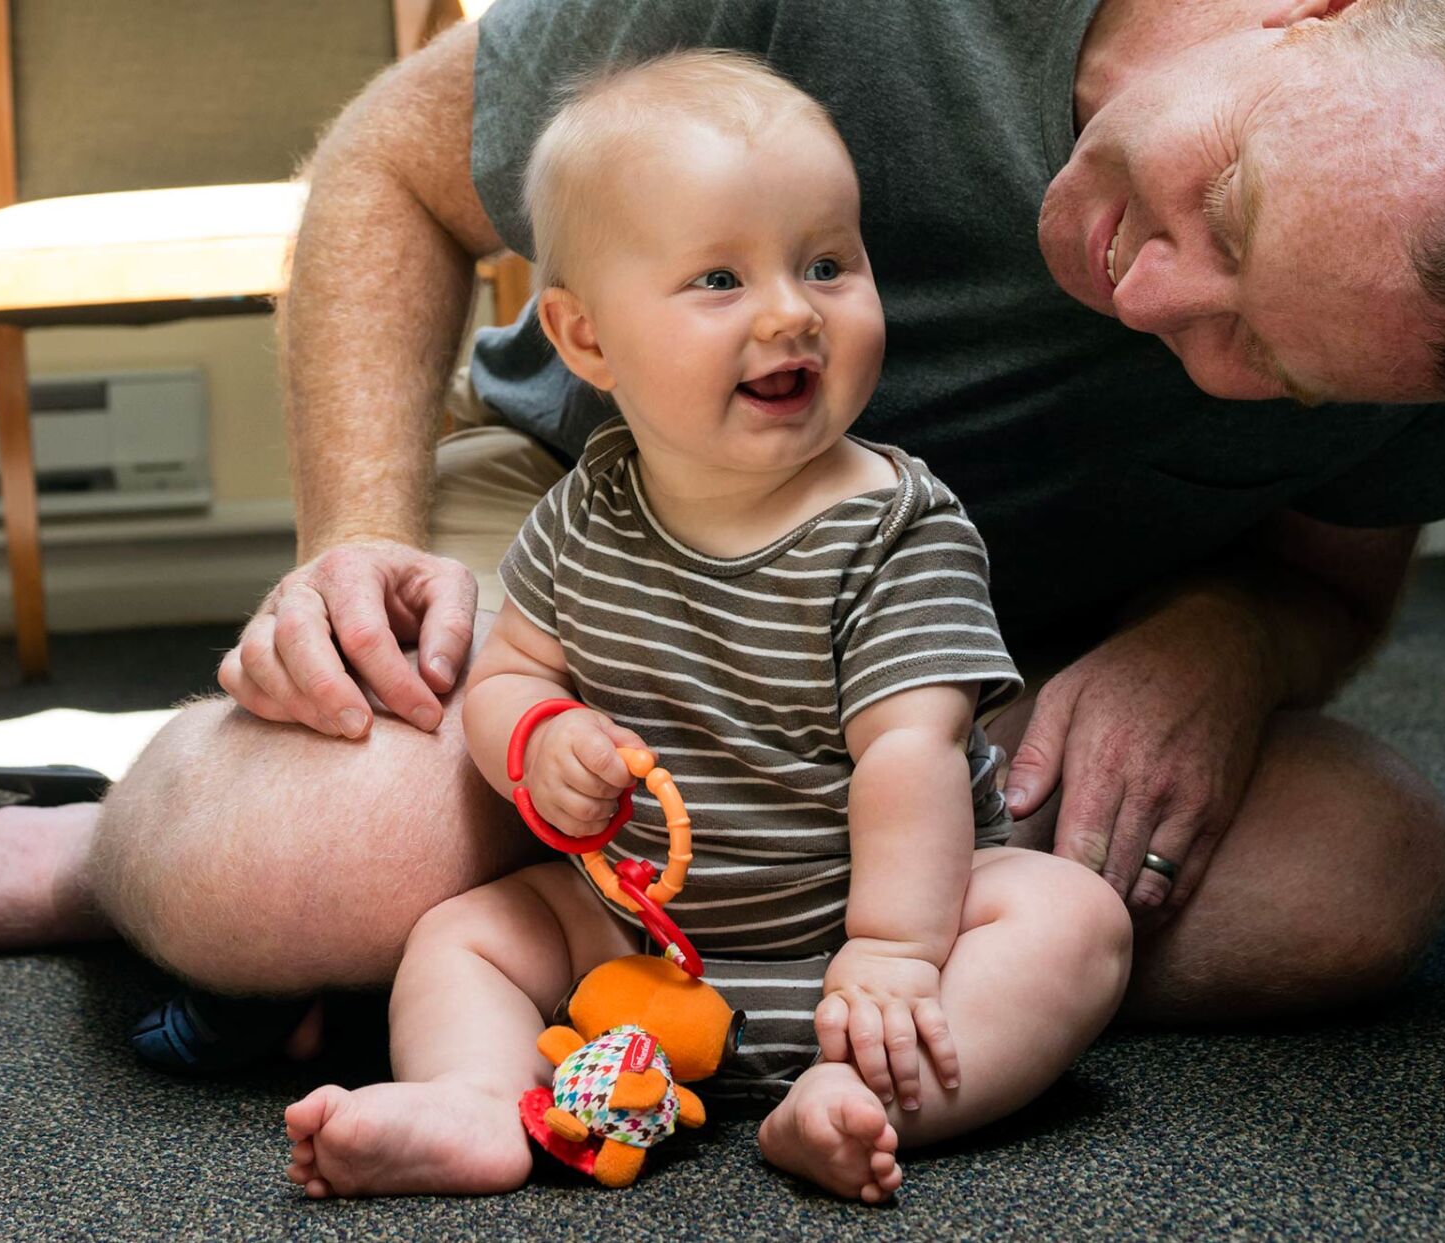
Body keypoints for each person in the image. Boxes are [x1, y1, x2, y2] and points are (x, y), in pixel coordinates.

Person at [0, 0, 1445, 1076]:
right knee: (294, 864)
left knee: (1359, 884)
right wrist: (351, 553)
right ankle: (111, 850)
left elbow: (1320, 582)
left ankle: (591, 966)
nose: (1153, 304)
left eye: (1259, 358)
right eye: (1212, 212)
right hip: (595, 568)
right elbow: (389, 170)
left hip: (968, 683)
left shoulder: (1434, 317)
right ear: (1314, 10)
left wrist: (1222, 650)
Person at [277, 50, 1130, 1202]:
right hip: (635, 937)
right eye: (719, 279)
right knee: (463, 935)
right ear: (585, 341)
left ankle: (857, 1102)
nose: (791, 310)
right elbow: (507, 676)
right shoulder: (587, 509)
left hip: (863, 941)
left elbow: (910, 753)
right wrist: (535, 739)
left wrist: (888, 954)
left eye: (828, 264)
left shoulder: (895, 525)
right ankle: (476, 1102)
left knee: (1069, 918)